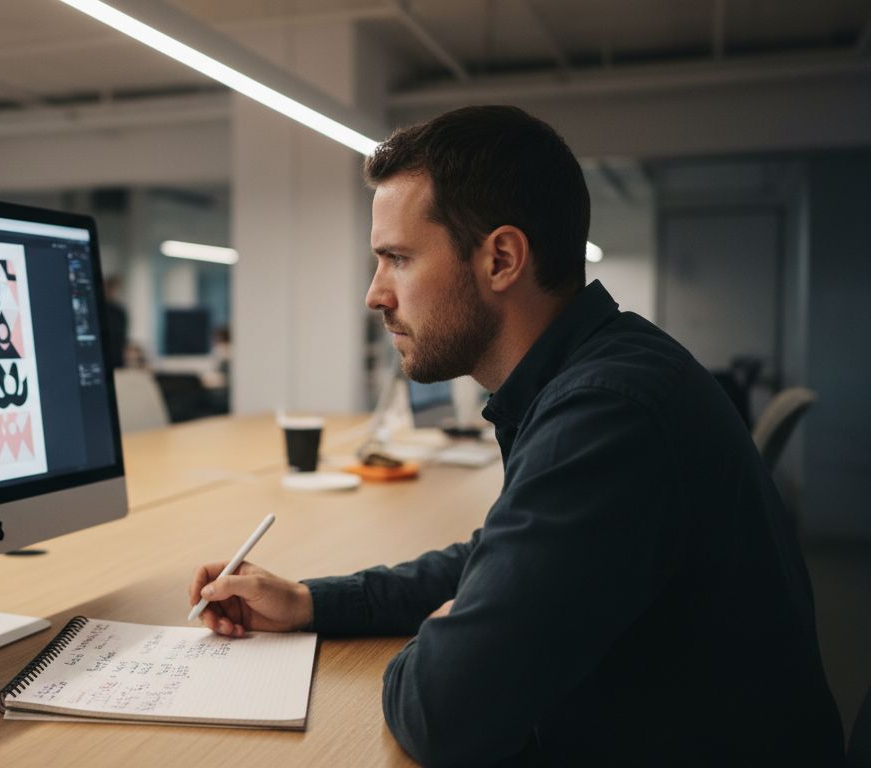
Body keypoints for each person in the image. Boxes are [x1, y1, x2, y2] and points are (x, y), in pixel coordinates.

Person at [188, 106, 843, 766]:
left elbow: (447, 715)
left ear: (501, 258)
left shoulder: (608, 412)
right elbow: (501, 556)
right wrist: (310, 602)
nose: (375, 294)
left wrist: (447, 630)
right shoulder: (601, 370)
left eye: (397, 259)